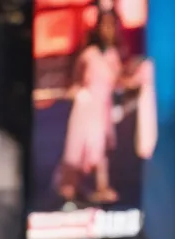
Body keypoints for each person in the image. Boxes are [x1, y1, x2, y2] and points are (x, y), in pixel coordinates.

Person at [56, 6, 156, 205]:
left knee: (99, 148)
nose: (108, 29)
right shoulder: (89, 53)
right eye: (105, 25)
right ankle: (69, 188)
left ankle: (101, 187)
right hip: (87, 106)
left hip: (102, 107)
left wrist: (139, 76)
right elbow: (74, 79)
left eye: (112, 25)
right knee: (78, 147)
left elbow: (118, 80)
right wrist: (78, 89)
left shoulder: (112, 55)